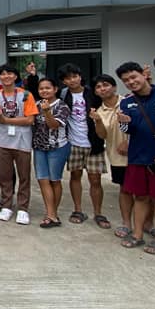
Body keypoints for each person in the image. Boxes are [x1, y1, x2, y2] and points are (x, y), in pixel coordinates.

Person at [116, 62, 155, 254]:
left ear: (144, 74)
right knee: (140, 197)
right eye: (126, 80)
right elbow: (129, 130)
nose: (131, 82)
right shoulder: (126, 102)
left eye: (134, 77)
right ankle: (137, 234)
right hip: (137, 156)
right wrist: (123, 123)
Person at [57, 63, 110, 229]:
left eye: (74, 76)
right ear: (63, 81)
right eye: (67, 78)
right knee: (75, 176)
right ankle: (78, 210)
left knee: (95, 179)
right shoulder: (63, 94)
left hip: (94, 143)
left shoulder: (92, 93)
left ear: (80, 76)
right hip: (73, 143)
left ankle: (98, 213)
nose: (72, 80)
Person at [0, 64, 38, 225]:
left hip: (22, 140)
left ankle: (23, 208)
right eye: (3, 74)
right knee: (5, 175)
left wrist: (6, 119)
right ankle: (6, 205)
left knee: (24, 175)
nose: (6, 77)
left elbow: (30, 119)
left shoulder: (26, 95)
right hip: (2, 140)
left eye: (10, 73)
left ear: (15, 76)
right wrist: (0, 117)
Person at [91, 74, 133, 237]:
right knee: (125, 190)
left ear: (114, 87)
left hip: (138, 153)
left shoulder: (128, 102)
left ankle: (148, 224)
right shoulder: (99, 111)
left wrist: (128, 141)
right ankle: (126, 223)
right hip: (117, 157)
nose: (102, 89)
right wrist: (98, 121)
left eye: (106, 85)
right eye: (98, 87)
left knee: (145, 194)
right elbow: (102, 135)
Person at [33, 78, 71, 228]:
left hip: (58, 147)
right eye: (41, 88)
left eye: (48, 88)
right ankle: (50, 213)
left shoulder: (62, 106)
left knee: (55, 180)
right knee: (43, 180)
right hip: (39, 147)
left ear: (55, 89)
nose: (44, 91)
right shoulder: (36, 105)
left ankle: (52, 214)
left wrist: (47, 111)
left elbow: (54, 125)